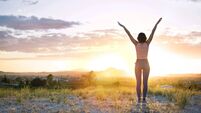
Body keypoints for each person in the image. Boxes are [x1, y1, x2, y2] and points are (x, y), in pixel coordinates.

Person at [118, 18, 162, 103]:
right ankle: (144, 99)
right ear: (145, 37)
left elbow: (129, 34)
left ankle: (139, 99)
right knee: (145, 82)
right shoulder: (147, 43)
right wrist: (157, 23)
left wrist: (123, 26)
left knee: (138, 82)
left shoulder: (136, 43)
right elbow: (153, 31)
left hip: (138, 63)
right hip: (146, 63)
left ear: (138, 38)